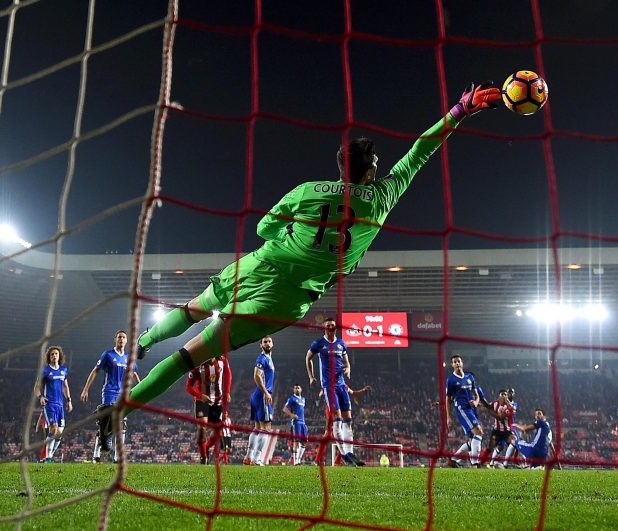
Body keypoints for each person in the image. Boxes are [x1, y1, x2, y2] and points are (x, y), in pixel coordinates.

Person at [126, 83, 501, 414]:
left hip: (260, 265)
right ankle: (117, 414)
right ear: (370, 170)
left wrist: (293, 234)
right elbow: (421, 151)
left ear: (340, 168)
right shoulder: (382, 197)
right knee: (187, 358)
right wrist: (460, 110)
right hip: (287, 298)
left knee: (194, 308)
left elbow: (263, 227)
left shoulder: (307, 190)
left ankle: (144, 341)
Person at [307, 317, 365, 466]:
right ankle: (344, 455)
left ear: (336, 328)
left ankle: (350, 453)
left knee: (348, 420)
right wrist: (311, 377)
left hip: (341, 385)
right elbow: (308, 358)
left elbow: (347, 362)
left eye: (333, 325)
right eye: (328, 326)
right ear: (324, 328)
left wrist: (348, 369)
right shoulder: (319, 343)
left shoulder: (341, 344)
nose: (331, 328)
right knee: (337, 419)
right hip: (329, 386)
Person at [80, 330, 141, 463]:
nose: (121, 339)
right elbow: (95, 370)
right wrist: (86, 389)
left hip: (123, 394)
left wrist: (142, 389)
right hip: (109, 393)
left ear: (126, 341)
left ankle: (117, 457)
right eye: (119, 337)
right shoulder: (107, 354)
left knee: (122, 424)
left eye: (123, 337)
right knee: (106, 424)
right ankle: (96, 454)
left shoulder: (128, 358)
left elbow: (134, 374)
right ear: (115, 339)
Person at [186, 355, 231, 464]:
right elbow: (188, 386)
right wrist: (200, 395)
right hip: (202, 401)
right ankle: (203, 458)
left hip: (218, 401)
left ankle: (205, 448)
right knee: (202, 428)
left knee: (218, 430)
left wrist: (227, 392)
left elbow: (228, 375)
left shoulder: (222, 360)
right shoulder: (197, 365)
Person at [444, 354, 484, 467]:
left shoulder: (469, 378)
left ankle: (453, 460)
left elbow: (476, 395)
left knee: (472, 438)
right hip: (462, 409)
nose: (457, 363)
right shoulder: (451, 380)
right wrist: (449, 417)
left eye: (459, 361)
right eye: (455, 362)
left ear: (462, 363)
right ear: (452, 365)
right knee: (479, 432)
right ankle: (475, 464)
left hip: (471, 409)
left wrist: (476, 402)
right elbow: (448, 399)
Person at [36, 346, 72, 463]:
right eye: (52, 354)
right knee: (53, 429)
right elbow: (37, 387)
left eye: (56, 354)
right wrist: (40, 397)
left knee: (59, 434)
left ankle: (48, 456)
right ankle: (48, 458)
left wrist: (69, 401)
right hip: (49, 404)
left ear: (59, 356)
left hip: (60, 405)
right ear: (49, 357)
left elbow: (65, 387)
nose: (54, 356)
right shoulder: (45, 371)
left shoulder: (63, 370)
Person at [246, 336, 275, 466]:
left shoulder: (269, 358)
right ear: (261, 345)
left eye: (269, 341)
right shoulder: (262, 358)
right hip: (262, 395)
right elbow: (256, 375)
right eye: (265, 342)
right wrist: (266, 392)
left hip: (256, 396)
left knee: (257, 428)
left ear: (272, 344)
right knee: (266, 427)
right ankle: (257, 459)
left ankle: (248, 457)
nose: (267, 344)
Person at [484, 389, 517, 468]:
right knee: (492, 447)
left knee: (515, 443)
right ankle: (481, 462)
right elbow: (487, 406)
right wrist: (480, 400)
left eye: (506, 394)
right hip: (497, 431)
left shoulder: (512, 405)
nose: (505, 395)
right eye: (503, 394)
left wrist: (490, 412)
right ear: (499, 396)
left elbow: (501, 417)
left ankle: (509, 463)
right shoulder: (495, 403)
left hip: (508, 430)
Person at [283, 383, 307, 465]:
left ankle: (299, 459)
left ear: (301, 389)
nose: (297, 389)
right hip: (296, 423)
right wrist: (292, 415)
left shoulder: (303, 399)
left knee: (304, 442)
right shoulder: (292, 399)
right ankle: (296, 462)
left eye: (298, 388)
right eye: (295, 388)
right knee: (296, 441)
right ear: (293, 390)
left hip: (303, 422)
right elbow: (285, 409)